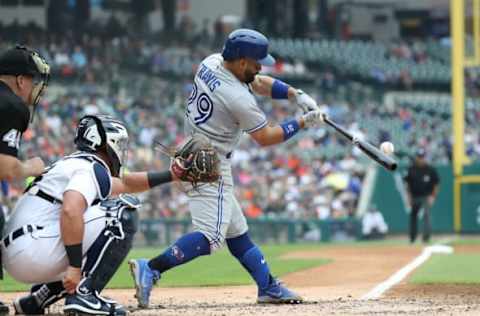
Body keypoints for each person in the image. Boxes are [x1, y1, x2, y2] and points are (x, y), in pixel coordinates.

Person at [129, 28, 325, 306]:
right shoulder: (238, 99)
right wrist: (302, 123)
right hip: (211, 165)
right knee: (210, 238)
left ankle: (267, 286)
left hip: (192, 151)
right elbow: (266, 137)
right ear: (242, 61)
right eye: (257, 62)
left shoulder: (211, 61)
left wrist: (295, 94)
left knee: (237, 232)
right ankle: (151, 268)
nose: (260, 67)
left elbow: (257, 82)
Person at [2, 114, 202, 315]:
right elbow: (71, 209)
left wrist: (172, 175)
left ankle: (38, 298)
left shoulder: (75, 164)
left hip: (20, 251)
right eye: (119, 143)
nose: (122, 149)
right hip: (32, 250)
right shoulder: (90, 166)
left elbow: (125, 184)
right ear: (104, 142)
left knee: (95, 223)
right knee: (123, 210)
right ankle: (84, 295)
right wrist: (74, 266)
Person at [0, 45, 50, 316]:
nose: (36, 87)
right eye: (33, 80)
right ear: (20, 80)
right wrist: (32, 167)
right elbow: (5, 168)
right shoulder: (12, 106)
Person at [404, 148, 439, 243]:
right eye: (419, 157)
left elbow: (436, 184)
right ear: (416, 158)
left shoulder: (430, 169)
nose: (421, 159)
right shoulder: (411, 169)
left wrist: (433, 196)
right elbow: (407, 185)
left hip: (426, 197)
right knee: (413, 216)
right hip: (415, 196)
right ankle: (412, 237)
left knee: (426, 216)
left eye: (422, 157)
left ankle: (426, 238)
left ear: (425, 157)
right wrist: (409, 198)